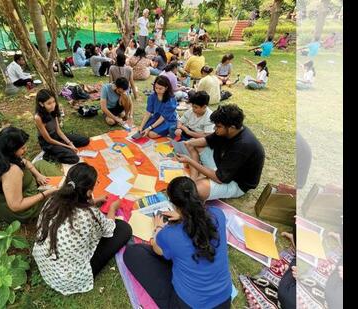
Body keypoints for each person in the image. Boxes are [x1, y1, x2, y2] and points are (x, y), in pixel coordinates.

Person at [123, 177, 232, 309]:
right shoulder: (218, 214)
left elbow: (157, 249)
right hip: (224, 301)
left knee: (133, 252)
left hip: (189, 305)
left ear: (174, 204)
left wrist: (158, 228)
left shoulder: (170, 234)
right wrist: (183, 216)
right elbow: (198, 223)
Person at [33, 163, 132, 295]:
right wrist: (113, 208)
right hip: (69, 278)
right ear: (89, 192)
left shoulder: (52, 201)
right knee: (124, 229)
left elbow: (75, 203)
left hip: (46, 263)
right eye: (95, 184)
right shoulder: (88, 214)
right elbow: (109, 228)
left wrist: (95, 201)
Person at [175, 104, 265, 200]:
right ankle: (193, 178)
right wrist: (190, 143)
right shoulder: (228, 128)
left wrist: (190, 161)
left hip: (236, 182)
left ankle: (197, 180)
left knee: (196, 189)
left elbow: (220, 179)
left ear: (232, 128)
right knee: (194, 143)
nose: (214, 129)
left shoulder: (243, 145)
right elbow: (208, 140)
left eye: (218, 126)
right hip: (223, 166)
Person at [0, 126, 62, 223]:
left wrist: (38, 175)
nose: (26, 150)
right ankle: (67, 185)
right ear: (11, 149)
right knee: (61, 195)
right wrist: (45, 194)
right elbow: (16, 206)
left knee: (40, 164)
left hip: (21, 189)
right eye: (22, 148)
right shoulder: (12, 171)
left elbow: (25, 162)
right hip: (23, 210)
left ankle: (64, 182)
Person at [34, 89, 90, 164]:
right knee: (74, 158)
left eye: (54, 102)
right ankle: (49, 155)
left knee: (85, 140)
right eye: (49, 103)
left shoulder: (53, 110)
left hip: (56, 136)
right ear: (41, 104)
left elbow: (58, 131)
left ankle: (63, 147)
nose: (53, 105)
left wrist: (70, 143)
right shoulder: (38, 117)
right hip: (48, 143)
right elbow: (49, 140)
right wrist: (69, 147)